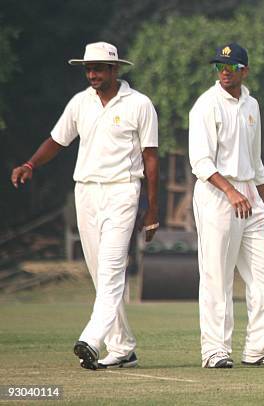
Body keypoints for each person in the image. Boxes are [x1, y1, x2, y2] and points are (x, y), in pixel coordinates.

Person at [11, 42, 160, 370]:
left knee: (110, 268)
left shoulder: (139, 104)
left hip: (123, 191)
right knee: (100, 273)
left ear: (114, 70)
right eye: (88, 69)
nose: (91, 74)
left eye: (98, 69)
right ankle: (122, 348)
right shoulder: (80, 103)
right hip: (86, 193)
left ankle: (92, 339)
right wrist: (31, 165)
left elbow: (151, 158)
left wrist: (151, 210)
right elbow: (57, 140)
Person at [188, 42, 264, 369]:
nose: (224, 71)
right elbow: (200, 162)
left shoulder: (252, 105)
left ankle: (260, 348)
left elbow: (255, 160)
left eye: (232, 67)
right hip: (218, 195)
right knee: (217, 275)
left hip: (250, 194)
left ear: (244, 71)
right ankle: (215, 351)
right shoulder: (206, 105)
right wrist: (231, 192)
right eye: (220, 66)